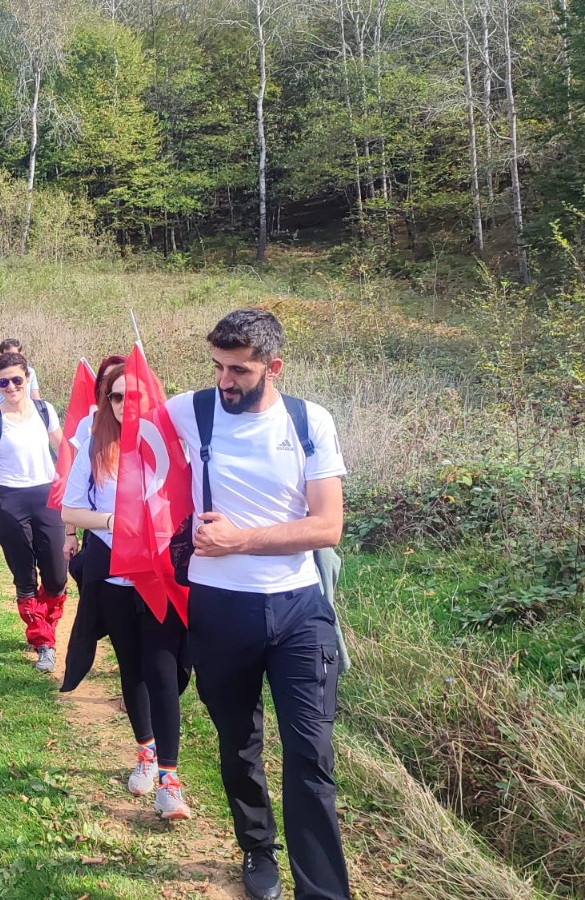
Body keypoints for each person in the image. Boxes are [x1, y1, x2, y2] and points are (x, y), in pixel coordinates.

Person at [164, 308, 350, 900]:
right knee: (239, 744)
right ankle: (256, 850)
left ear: (274, 367)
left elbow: (328, 526)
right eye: (217, 366)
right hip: (219, 610)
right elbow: (115, 432)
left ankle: (321, 891)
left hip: (298, 609)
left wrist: (238, 540)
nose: (224, 381)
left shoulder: (308, 422)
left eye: (239, 370)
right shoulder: (188, 411)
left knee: (310, 753)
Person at [59, 356, 192, 820]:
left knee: (166, 673)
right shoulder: (96, 446)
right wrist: (113, 521)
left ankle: (166, 770)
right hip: (115, 580)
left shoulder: (167, 445)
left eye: (131, 395)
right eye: (114, 396)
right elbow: (69, 511)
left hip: (158, 580)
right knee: (134, 669)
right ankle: (156, 766)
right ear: (105, 400)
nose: (122, 404)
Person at [0, 350, 67, 672]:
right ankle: (43, 640)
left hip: (47, 496)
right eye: (3, 382)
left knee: (56, 575)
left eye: (16, 380)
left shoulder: (45, 410)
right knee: (24, 576)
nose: (11, 387)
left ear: (28, 379)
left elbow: (65, 449)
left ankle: (45, 616)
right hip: (8, 501)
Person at [0, 338, 42, 408]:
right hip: (2, 415)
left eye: (14, 355)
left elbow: (35, 397)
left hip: (26, 412)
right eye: (7, 355)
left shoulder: (29, 371)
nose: (11, 358)